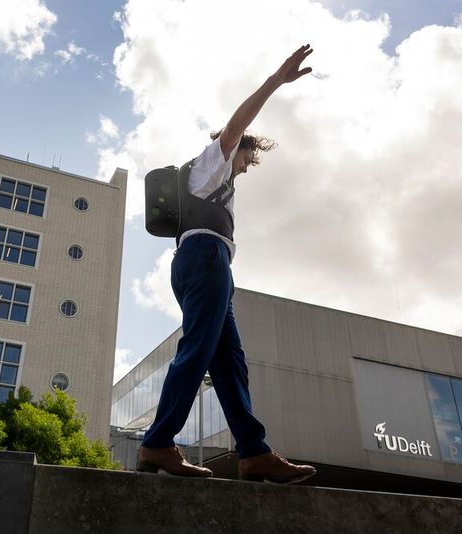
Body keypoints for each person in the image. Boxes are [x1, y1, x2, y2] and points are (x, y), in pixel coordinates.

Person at [136, 44, 317, 484]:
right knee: (198, 348)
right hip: (205, 258)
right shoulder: (213, 162)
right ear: (235, 150)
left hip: (207, 263)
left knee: (229, 360)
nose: (247, 167)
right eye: (247, 159)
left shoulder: (215, 179)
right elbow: (238, 124)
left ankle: (253, 453)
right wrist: (275, 81)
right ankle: (158, 442)